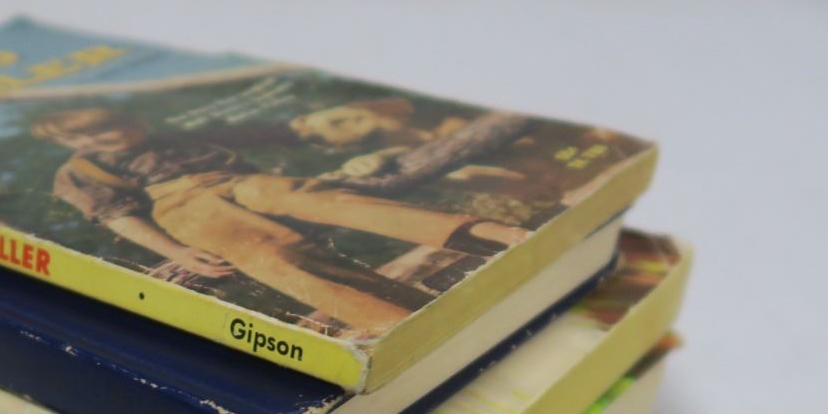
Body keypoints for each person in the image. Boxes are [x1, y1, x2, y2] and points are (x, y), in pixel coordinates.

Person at [31, 107, 526, 337]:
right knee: (272, 256)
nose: (99, 142)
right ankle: (396, 322)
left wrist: (330, 132)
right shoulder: (79, 172)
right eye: (85, 139)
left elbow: (269, 132)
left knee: (326, 199)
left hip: (238, 179)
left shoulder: (172, 133)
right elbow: (118, 216)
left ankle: (488, 233)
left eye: (111, 130)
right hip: (180, 207)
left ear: (134, 120)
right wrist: (177, 253)